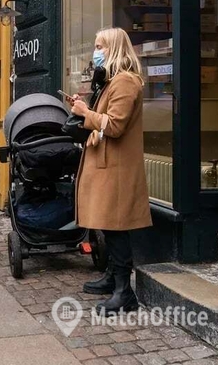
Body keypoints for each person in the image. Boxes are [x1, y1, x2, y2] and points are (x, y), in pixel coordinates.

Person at [67, 27, 151, 314]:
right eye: (95, 45)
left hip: (116, 166)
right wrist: (84, 108)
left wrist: (84, 113)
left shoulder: (126, 82)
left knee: (116, 227)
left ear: (114, 48)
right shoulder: (112, 81)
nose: (96, 51)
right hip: (106, 163)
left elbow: (114, 126)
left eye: (101, 46)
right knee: (107, 223)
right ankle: (112, 278)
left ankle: (123, 291)